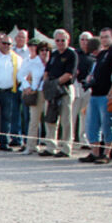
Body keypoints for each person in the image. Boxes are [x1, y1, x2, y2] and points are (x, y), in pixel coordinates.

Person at [80, 28, 112, 163]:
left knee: (107, 125)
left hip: (107, 95)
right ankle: (95, 152)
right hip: (95, 93)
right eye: (102, 37)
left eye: (106, 37)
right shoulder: (101, 54)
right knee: (92, 125)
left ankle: (107, 153)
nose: (104, 39)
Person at [43, 29, 77, 158]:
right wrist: (47, 84)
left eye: (63, 40)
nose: (60, 43)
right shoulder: (54, 54)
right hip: (52, 89)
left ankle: (66, 148)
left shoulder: (71, 54)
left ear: (67, 40)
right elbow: (47, 71)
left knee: (66, 120)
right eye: (57, 40)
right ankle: (51, 147)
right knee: (50, 118)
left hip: (64, 90)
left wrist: (55, 84)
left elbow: (69, 74)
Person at [19, 39, 49, 155]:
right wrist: (27, 86)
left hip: (49, 92)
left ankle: (50, 146)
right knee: (33, 121)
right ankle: (31, 145)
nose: (43, 52)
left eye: (46, 50)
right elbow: (21, 75)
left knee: (50, 120)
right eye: (41, 50)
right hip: (36, 92)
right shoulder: (32, 61)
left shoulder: (51, 62)